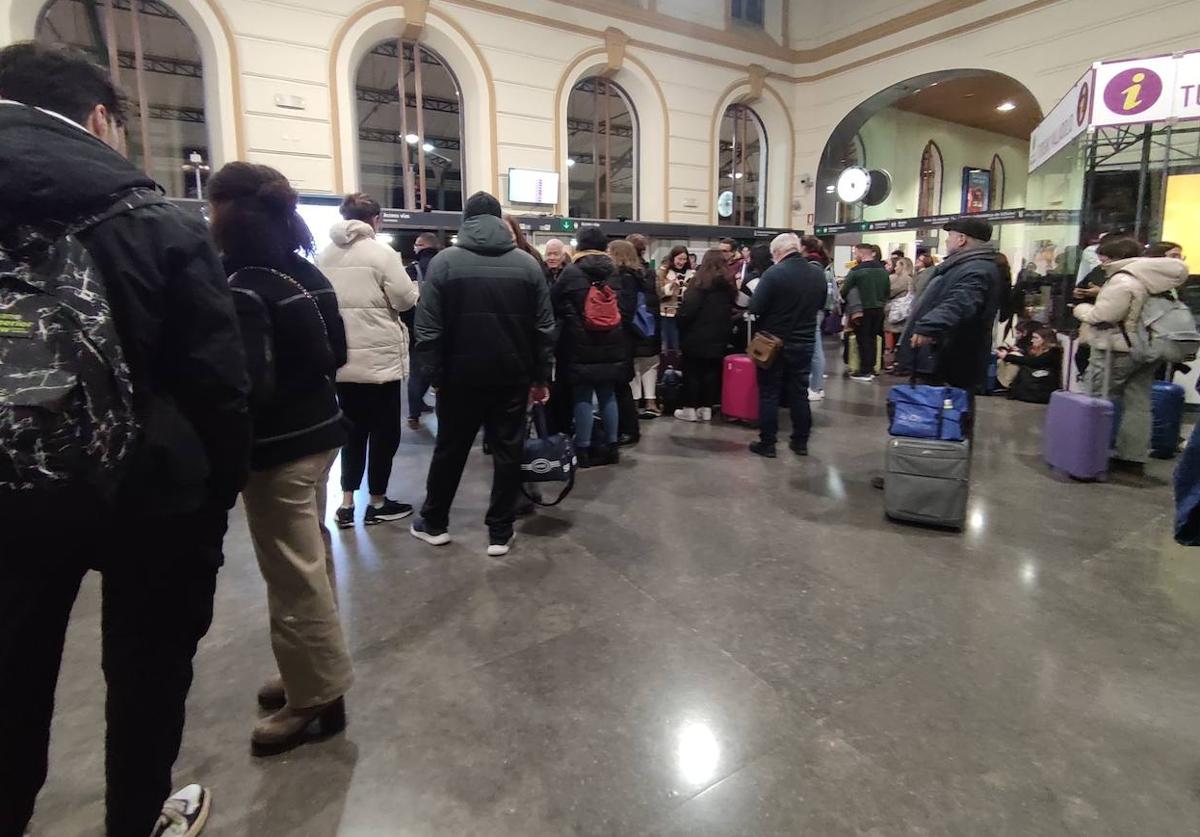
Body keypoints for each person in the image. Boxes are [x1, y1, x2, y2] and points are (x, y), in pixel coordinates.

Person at [0, 42, 252, 837]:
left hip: (9, 493)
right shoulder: (153, 220)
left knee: (9, 680)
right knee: (146, 674)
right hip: (152, 492)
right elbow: (220, 385)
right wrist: (216, 500)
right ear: (101, 118)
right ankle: (138, 819)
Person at [209, 162, 354, 758]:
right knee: (309, 561)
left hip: (278, 448)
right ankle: (310, 671)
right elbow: (337, 351)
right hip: (320, 434)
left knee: (293, 572)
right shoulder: (303, 271)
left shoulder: (245, 282)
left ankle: (316, 693)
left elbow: (241, 385)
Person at [409, 192, 556, 556]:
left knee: (450, 450)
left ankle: (435, 523)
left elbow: (426, 330)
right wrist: (540, 378)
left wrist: (436, 375)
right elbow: (544, 328)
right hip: (512, 376)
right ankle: (500, 532)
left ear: (467, 221)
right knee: (508, 451)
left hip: (459, 378)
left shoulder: (443, 263)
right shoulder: (527, 265)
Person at [318, 192, 418, 528]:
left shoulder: (325, 254)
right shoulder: (381, 254)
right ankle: (377, 502)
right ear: (375, 219)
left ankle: (346, 503)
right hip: (379, 360)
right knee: (384, 432)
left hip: (343, 361)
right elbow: (404, 300)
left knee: (352, 431)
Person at [1074, 251, 1189, 469]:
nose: (1101, 263)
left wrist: (1081, 309)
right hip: (1150, 349)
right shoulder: (1160, 281)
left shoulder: (1123, 279)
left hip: (1117, 349)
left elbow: (1103, 316)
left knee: (1093, 399)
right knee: (1138, 404)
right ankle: (1132, 457)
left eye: (1103, 257)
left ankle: (1085, 452)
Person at [897, 218, 1005, 394]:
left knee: (945, 412)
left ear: (962, 239)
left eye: (950, 236)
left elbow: (960, 302)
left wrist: (928, 326)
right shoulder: (963, 265)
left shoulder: (976, 269)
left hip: (951, 358)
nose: (947, 241)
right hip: (943, 354)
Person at [552, 227, 632, 467]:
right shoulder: (614, 272)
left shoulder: (571, 272)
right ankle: (612, 446)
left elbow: (553, 301)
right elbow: (625, 308)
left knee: (583, 395)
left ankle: (584, 449)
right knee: (608, 394)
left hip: (579, 343)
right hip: (611, 342)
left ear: (580, 246)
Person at [747, 234, 828, 458]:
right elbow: (821, 305)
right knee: (799, 393)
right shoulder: (817, 273)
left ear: (777, 252)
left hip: (773, 343)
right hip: (804, 342)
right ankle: (800, 442)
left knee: (769, 394)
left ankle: (768, 443)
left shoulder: (774, 273)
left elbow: (755, 306)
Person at [675, 250, 737, 422]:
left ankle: (690, 409)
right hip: (720, 336)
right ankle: (706, 408)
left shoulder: (699, 282)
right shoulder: (729, 284)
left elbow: (688, 310)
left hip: (696, 335)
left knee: (692, 372)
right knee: (711, 372)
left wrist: (679, 323)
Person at [609, 239, 648, 440]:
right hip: (628, 337)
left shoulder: (625, 278)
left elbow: (625, 309)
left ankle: (628, 429)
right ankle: (627, 428)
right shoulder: (634, 276)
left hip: (623, 337)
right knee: (622, 384)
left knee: (620, 385)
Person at [404, 232, 441, 428]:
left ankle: (413, 414)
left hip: (417, 328)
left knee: (417, 371)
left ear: (424, 246)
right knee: (439, 371)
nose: (414, 248)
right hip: (442, 327)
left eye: (417, 244)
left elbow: (404, 300)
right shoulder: (445, 265)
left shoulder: (411, 270)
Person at [840, 243, 890, 382]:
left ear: (861, 254)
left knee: (864, 339)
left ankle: (865, 370)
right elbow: (887, 290)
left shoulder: (856, 271)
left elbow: (844, 290)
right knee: (874, 337)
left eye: (856, 253)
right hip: (879, 308)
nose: (855, 256)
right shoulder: (883, 270)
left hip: (862, 309)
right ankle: (874, 367)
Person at [801, 236, 836, 402]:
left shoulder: (812, 265)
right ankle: (816, 384)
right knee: (816, 348)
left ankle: (816, 386)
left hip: (813, 310)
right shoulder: (821, 263)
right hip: (819, 309)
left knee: (815, 349)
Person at [998, 326, 1062, 404]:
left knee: (1015, 361)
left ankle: (1007, 384)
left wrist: (1007, 356)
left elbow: (1035, 362)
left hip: (1041, 389)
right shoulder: (1039, 350)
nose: (1032, 340)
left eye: (1035, 338)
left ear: (1045, 339)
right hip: (1036, 387)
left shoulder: (1053, 352)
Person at [657, 245, 693, 353]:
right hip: (667, 313)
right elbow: (658, 292)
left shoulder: (691, 273)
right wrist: (670, 287)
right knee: (669, 344)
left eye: (684, 259)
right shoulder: (662, 271)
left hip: (684, 313)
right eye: (679, 259)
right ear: (673, 258)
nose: (682, 262)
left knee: (682, 343)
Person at [883, 256, 915, 369]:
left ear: (902, 266)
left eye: (896, 265)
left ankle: (892, 361)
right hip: (904, 311)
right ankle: (898, 360)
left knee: (892, 334)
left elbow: (889, 292)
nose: (895, 268)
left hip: (895, 310)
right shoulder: (911, 279)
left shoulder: (900, 279)